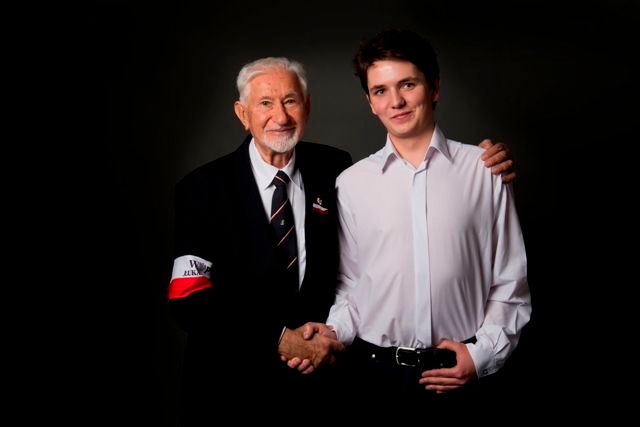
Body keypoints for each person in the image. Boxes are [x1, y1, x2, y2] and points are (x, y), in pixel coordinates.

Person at [167, 56, 516, 423]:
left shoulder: (334, 168)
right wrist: (278, 338)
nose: (280, 116)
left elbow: (388, 229)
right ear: (242, 113)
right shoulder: (201, 188)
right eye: (265, 103)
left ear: (307, 107)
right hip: (229, 391)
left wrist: (478, 167)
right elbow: (188, 299)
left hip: (321, 393)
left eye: (290, 101)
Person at [291, 29, 531, 406]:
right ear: (370, 102)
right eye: (380, 91)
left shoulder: (485, 170)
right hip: (374, 379)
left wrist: (482, 355)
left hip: (461, 372)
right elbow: (352, 287)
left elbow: (509, 282)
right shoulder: (351, 184)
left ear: (434, 87)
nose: (396, 101)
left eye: (408, 84)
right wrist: (332, 332)